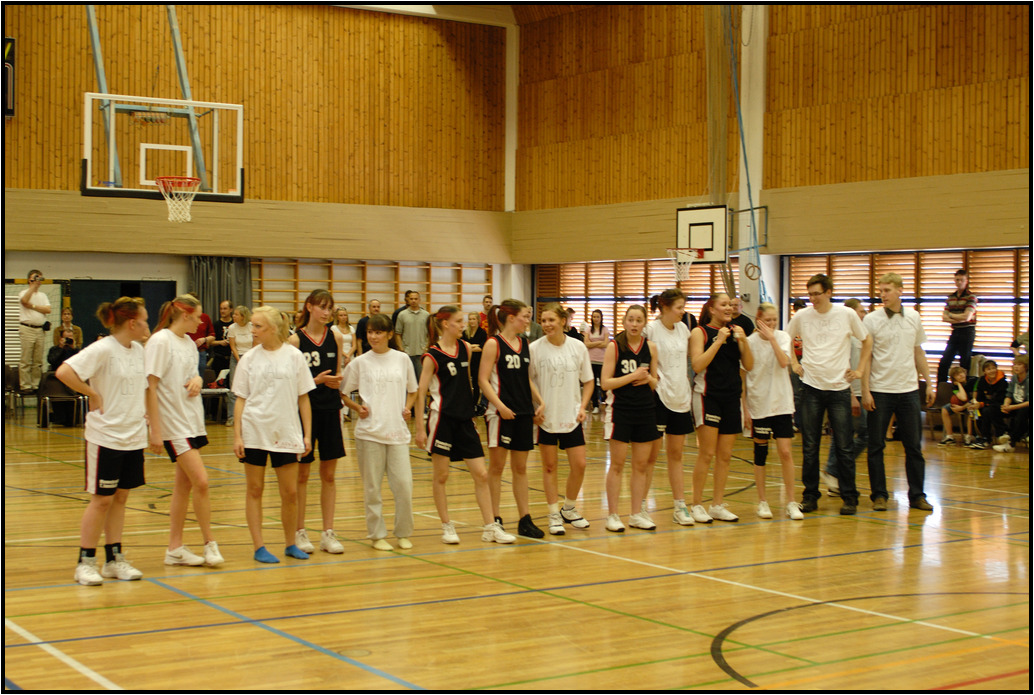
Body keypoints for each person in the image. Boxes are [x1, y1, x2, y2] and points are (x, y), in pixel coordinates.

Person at [58, 297, 157, 585]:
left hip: (133, 436)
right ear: (132, 323)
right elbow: (64, 371)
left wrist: (152, 427)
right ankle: (86, 561)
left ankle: (114, 559)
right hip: (105, 437)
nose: (147, 325)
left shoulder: (139, 351)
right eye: (145, 320)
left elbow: (145, 390)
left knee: (121, 498)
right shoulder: (102, 348)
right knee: (102, 500)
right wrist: (92, 393)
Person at [415, 306, 515, 545]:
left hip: (465, 420)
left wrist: (471, 413)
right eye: (459, 321)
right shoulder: (432, 356)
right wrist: (419, 428)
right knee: (442, 475)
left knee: (481, 474)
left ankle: (490, 527)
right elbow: (420, 393)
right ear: (445, 324)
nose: (463, 325)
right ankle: (447, 526)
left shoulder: (465, 349)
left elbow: (467, 385)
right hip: (441, 420)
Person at [145, 295, 224, 567]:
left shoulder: (190, 343)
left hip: (192, 420)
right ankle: (209, 542)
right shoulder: (160, 341)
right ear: (185, 315)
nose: (201, 322)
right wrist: (155, 430)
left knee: (184, 485)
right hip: (173, 425)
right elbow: (150, 386)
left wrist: (198, 379)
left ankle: (174, 548)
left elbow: (193, 374)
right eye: (198, 316)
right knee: (201, 481)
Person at [232, 306, 315, 563]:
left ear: (274, 328)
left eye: (258, 326)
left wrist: (307, 435)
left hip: (286, 431)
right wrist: (238, 436)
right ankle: (259, 547)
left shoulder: (294, 356)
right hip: (254, 431)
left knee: (290, 492)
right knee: (255, 489)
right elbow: (240, 399)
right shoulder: (248, 359)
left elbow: (303, 398)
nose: (253, 331)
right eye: (252, 326)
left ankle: (291, 543)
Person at [787, 274, 871, 515]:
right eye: (810, 294)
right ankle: (810, 495)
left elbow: (867, 340)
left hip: (839, 388)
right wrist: (794, 363)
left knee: (845, 446)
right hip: (811, 387)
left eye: (817, 294)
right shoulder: (802, 316)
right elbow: (786, 338)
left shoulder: (846, 314)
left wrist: (859, 370)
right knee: (810, 446)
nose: (813, 299)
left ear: (828, 292)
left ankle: (849, 496)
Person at [340, 313, 418, 550]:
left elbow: (413, 390)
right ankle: (376, 535)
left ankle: (403, 533)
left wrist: (407, 407)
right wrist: (357, 408)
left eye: (378, 332)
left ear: (390, 334)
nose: (373, 337)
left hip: (397, 433)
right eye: (370, 332)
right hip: (369, 434)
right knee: (372, 488)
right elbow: (343, 392)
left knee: (404, 485)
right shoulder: (360, 362)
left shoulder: (402, 359)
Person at [860, 273, 936, 512]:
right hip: (880, 390)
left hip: (909, 390)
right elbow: (866, 357)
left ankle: (917, 495)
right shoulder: (871, 319)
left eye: (887, 290)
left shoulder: (914, 317)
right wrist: (865, 390)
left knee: (913, 446)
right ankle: (879, 495)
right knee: (876, 446)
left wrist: (929, 382)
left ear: (900, 291)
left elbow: (918, 352)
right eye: (880, 290)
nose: (882, 294)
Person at [479, 299, 546, 538]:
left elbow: (526, 378)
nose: (528, 321)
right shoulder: (493, 344)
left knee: (521, 468)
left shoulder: (525, 344)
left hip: (523, 412)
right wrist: (500, 406)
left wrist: (539, 401)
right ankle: (494, 519)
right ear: (511, 318)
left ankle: (524, 519)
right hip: (500, 414)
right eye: (525, 316)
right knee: (497, 468)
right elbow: (483, 380)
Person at [289, 290, 347, 555]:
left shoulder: (335, 336)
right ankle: (299, 530)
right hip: (304, 412)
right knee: (302, 474)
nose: (327, 312)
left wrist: (337, 380)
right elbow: (291, 384)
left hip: (330, 409)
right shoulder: (295, 340)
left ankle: (327, 532)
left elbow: (338, 372)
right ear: (309, 307)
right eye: (322, 307)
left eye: (329, 308)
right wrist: (317, 381)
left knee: (329, 475)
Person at [529, 304, 594, 535]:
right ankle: (553, 514)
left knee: (580, 464)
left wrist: (583, 407)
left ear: (563, 321)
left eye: (551, 320)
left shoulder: (577, 347)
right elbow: (528, 380)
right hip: (546, 418)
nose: (547, 325)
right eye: (543, 320)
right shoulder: (535, 349)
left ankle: (569, 508)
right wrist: (538, 405)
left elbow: (588, 381)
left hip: (571, 416)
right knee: (549, 467)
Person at [689, 292, 754, 523]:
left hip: (731, 398)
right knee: (707, 453)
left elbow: (749, 365)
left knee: (725, 456)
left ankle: (717, 505)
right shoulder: (700, 332)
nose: (729, 308)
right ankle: (696, 505)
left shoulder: (737, 332)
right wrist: (718, 341)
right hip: (708, 396)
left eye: (730, 305)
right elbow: (697, 365)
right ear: (712, 309)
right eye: (723, 304)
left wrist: (744, 341)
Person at [601, 304, 660, 532]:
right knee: (617, 464)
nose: (634, 324)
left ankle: (636, 514)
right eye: (631, 320)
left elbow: (654, 382)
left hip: (645, 410)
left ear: (644, 323)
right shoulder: (614, 346)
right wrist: (632, 376)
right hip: (621, 410)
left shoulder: (651, 347)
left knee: (641, 465)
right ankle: (613, 515)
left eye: (638, 320)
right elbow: (606, 383)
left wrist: (649, 380)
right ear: (624, 322)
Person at [743, 303, 803, 520]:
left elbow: (784, 362)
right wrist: (745, 408)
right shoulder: (749, 342)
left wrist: (772, 339)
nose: (771, 324)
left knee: (785, 452)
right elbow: (743, 375)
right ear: (758, 320)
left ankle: (791, 502)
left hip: (781, 403)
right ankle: (762, 501)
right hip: (759, 404)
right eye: (767, 320)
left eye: (774, 320)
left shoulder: (783, 337)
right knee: (761, 454)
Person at [643, 290, 696, 526]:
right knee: (650, 456)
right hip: (658, 397)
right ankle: (640, 505)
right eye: (679, 307)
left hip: (680, 397)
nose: (683, 311)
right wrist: (652, 381)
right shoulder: (651, 330)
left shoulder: (684, 330)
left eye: (683, 307)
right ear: (664, 307)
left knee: (676, 455)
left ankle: (679, 506)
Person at [821, 298, 868, 497]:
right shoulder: (844, 337)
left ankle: (836, 481)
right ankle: (833, 469)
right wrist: (851, 396)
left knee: (843, 436)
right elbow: (842, 367)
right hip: (848, 393)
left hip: (859, 391)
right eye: (861, 310)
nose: (864, 314)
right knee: (864, 434)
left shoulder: (860, 336)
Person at [937, 268, 977, 384]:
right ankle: (941, 389)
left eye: (962, 280)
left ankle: (965, 390)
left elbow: (967, 317)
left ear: (966, 281)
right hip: (956, 332)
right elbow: (944, 317)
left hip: (967, 331)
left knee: (965, 363)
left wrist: (951, 315)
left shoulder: (971, 297)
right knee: (944, 362)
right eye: (957, 280)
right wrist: (959, 318)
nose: (959, 282)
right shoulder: (951, 297)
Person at [18, 269, 51, 392]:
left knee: (37, 360)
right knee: (26, 359)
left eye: (39, 278)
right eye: (35, 278)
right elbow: (24, 301)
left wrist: (32, 306)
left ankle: (36, 385)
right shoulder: (23, 293)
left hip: (39, 330)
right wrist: (32, 287)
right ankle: (25, 385)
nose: (38, 281)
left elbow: (48, 310)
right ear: (29, 279)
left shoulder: (43, 296)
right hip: (27, 328)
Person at [967, 360, 1008, 449]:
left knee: (987, 410)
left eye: (993, 368)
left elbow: (999, 399)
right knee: (974, 411)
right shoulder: (982, 380)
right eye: (989, 369)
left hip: (999, 406)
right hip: (986, 405)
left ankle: (990, 437)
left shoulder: (1002, 382)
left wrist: (982, 404)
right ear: (984, 371)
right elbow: (980, 397)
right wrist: (976, 404)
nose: (992, 371)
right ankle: (977, 436)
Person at [224, 305, 253, 427]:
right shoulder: (232, 328)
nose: (233, 316)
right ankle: (232, 416)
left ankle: (249, 416)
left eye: (236, 314)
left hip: (251, 357)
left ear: (243, 316)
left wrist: (249, 359)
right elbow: (232, 346)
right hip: (236, 358)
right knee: (234, 387)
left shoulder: (251, 326)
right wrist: (239, 360)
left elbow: (255, 344)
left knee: (251, 386)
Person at [993, 355, 1029, 452]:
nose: (1016, 367)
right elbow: (1009, 394)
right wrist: (1006, 405)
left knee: (1022, 412)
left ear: (1025, 366)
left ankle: (1011, 443)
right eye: (1015, 364)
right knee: (992, 409)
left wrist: (1012, 407)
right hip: (1015, 405)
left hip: (1025, 407)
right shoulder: (1014, 378)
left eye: (1019, 364)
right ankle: (1005, 433)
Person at [395, 290, 430, 383]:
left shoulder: (426, 315)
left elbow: (430, 334)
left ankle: (422, 394)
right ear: (408, 300)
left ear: (419, 300)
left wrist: (427, 347)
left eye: (415, 299)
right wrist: (401, 349)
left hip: (421, 352)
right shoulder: (402, 315)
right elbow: (398, 334)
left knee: (422, 380)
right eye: (411, 299)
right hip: (407, 353)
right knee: (407, 380)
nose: (413, 301)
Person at [939, 366, 976, 446]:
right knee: (945, 409)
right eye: (957, 375)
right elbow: (963, 398)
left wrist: (962, 407)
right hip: (962, 403)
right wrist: (959, 384)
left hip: (974, 404)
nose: (961, 375)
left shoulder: (973, 380)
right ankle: (950, 436)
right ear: (954, 378)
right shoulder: (955, 386)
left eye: (962, 373)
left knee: (971, 409)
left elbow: (974, 399)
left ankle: (969, 436)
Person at [584, 309, 610, 414]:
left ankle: (607, 403)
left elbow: (606, 344)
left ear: (601, 318)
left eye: (597, 317)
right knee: (593, 384)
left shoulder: (605, 329)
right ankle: (595, 405)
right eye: (594, 317)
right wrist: (599, 342)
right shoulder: (588, 330)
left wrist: (593, 343)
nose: (596, 319)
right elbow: (586, 344)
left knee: (604, 383)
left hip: (602, 360)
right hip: (591, 360)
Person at [185, 293, 215, 376]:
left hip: (201, 352)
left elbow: (212, 336)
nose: (199, 322)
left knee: (199, 377)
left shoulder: (205, 317)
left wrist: (204, 339)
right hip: (186, 351)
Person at [463, 311, 488, 411]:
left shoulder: (482, 333)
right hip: (467, 361)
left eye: (473, 319)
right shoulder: (465, 333)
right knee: (466, 383)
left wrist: (470, 346)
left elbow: (481, 348)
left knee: (476, 384)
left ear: (478, 320)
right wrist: (474, 346)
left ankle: (474, 405)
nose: (471, 321)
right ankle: (466, 403)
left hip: (478, 362)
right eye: (470, 319)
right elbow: (463, 346)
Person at [209, 300, 235, 378]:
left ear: (231, 310)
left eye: (225, 308)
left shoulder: (234, 324)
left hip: (232, 358)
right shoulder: (216, 324)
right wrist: (220, 342)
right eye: (221, 309)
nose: (222, 311)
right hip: (219, 358)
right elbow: (210, 342)